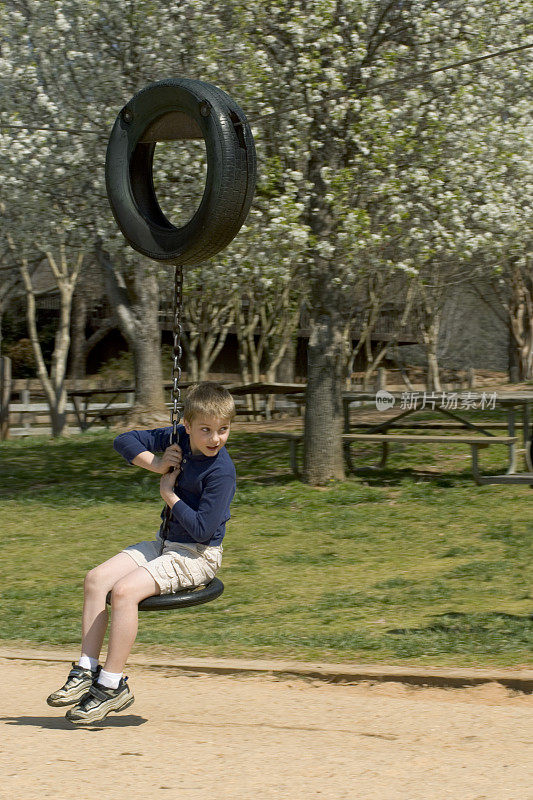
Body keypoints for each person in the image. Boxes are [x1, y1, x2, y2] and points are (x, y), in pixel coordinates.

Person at [47, 382, 236, 725]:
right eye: (205, 430)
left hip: (198, 555)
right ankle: (86, 670)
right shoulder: (176, 438)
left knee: (123, 592)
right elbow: (124, 441)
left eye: (222, 430)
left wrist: (169, 494)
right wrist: (158, 463)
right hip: (166, 545)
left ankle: (111, 685)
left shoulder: (221, 471)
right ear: (188, 426)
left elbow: (202, 530)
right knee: (96, 580)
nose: (214, 439)